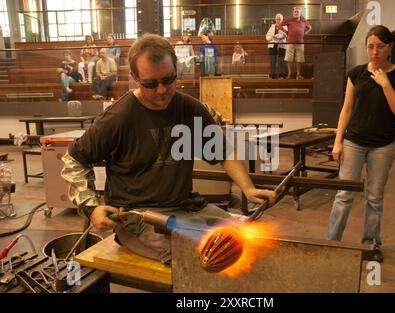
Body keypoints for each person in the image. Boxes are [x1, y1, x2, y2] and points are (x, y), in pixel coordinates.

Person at [61, 34, 275, 264]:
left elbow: (222, 151)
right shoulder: (118, 118)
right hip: (138, 219)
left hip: (186, 207)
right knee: (206, 255)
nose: (162, 90)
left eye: (168, 79)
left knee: (250, 237)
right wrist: (91, 208)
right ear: (134, 77)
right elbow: (74, 160)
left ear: (176, 69)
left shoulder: (189, 108)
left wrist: (248, 188)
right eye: (151, 83)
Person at [327, 25, 395, 263]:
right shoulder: (356, 73)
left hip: (382, 146)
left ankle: (370, 244)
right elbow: (346, 109)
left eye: (380, 47)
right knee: (344, 195)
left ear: (390, 47)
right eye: (370, 47)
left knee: (374, 198)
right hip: (354, 142)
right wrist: (337, 141)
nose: (374, 52)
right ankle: (331, 243)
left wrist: (385, 84)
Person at [281, 7, 312, 79]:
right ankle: (289, 74)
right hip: (290, 42)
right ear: (293, 12)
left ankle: (298, 75)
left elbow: (310, 27)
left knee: (299, 59)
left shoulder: (304, 21)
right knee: (288, 59)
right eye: (295, 11)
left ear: (300, 13)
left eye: (297, 12)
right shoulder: (289, 19)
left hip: (300, 43)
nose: (296, 13)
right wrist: (286, 32)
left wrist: (306, 32)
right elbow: (279, 25)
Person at [266, 13, 287, 79]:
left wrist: (277, 37)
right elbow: (267, 36)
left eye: (279, 19)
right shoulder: (272, 26)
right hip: (272, 45)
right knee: (272, 61)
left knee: (281, 61)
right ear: (275, 19)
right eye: (277, 19)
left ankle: (282, 75)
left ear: (282, 19)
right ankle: (272, 75)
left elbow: (284, 34)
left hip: (281, 45)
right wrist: (272, 37)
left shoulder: (285, 26)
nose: (278, 20)